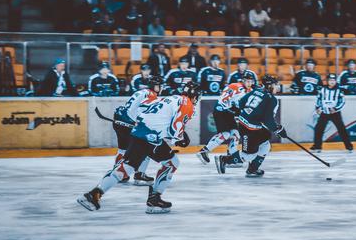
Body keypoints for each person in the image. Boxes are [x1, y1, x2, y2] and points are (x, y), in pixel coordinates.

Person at [78, 81, 201, 213]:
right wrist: (180, 139)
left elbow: (145, 110)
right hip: (151, 136)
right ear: (195, 96)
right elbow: (175, 129)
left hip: (139, 131)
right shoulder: (187, 104)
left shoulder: (170, 98)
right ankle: (154, 200)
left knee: (127, 167)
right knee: (171, 163)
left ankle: (94, 194)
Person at [214, 75, 287, 177]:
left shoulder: (256, 91)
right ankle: (224, 159)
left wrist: (251, 113)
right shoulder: (272, 100)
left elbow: (241, 102)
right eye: (275, 84)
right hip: (250, 129)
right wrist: (278, 130)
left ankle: (253, 169)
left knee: (265, 144)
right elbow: (268, 120)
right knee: (248, 155)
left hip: (247, 125)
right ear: (270, 86)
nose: (277, 87)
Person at [111, 75, 164, 186]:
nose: (161, 88)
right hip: (129, 123)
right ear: (154, 86)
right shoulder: (151, 95)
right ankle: (139, 175)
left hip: (119, 120)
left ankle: (119, 174)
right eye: (159, 86)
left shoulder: (141, 92)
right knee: (146, 147)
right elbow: (144, 113)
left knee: (122, 149)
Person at [197, 72, 255, 165]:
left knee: (235, 134)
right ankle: (204, 151)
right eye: (247, 81)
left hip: (228, 113)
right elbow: (229, 101)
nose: (249, 83)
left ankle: (231, 157)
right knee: (226, 134)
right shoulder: (237, 87)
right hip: (221, 111)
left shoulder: (247, 89)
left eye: (250, 81)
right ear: (243, 81)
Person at [310, 74, 353, 153]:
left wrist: (336, 108)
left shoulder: (339, 90)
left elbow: (343, 102)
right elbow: (318, 99)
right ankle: (317, 146)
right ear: (327, 81)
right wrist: (317, 108)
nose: (332, 82)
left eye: (333, 80)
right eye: (330, 80)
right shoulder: (322, 89)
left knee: (341, 129)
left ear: (336, 81)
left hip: (335, 113)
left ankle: (349, 146)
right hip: (324, 113)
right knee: (318, 129)